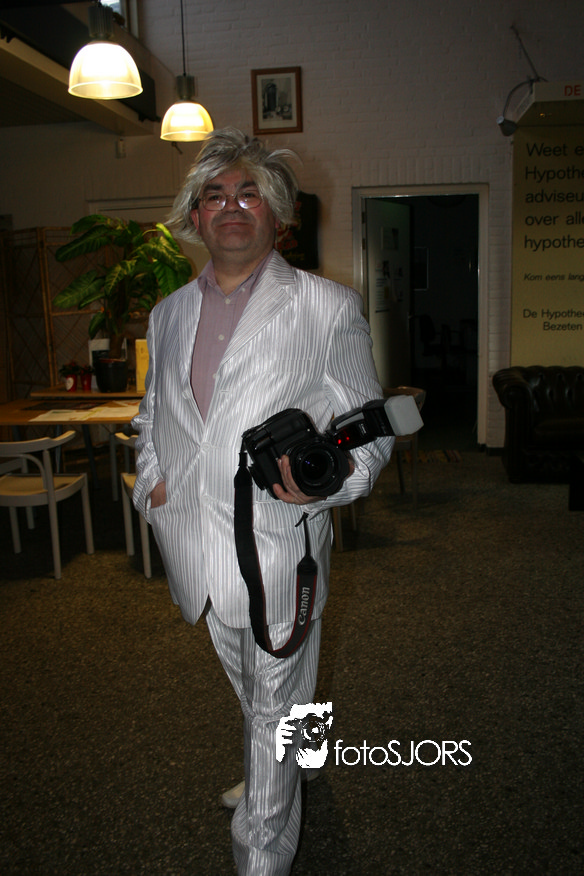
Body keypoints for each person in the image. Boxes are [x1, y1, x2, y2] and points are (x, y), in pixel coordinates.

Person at [131, 127, 393, 876]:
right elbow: (152, 417)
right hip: (196, 547)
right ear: (195, 216)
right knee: (256, 690)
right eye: (215, 196)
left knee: (274, 699)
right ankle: (294, 757)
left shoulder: (325, 307)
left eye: (249, 193)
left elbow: (369, 426)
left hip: (280, 547)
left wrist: (332, 479)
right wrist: (154, 484)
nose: (232, 207)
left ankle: (262, 852)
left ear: (277, 214)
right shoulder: (168, 314)